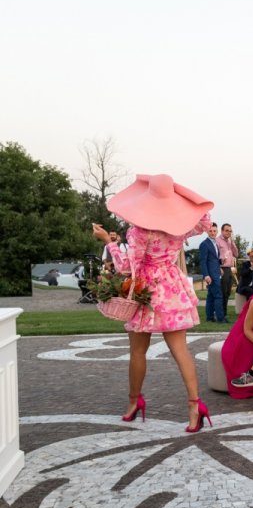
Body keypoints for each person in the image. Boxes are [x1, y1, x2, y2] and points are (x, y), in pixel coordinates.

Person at [94, 173, 215, 433]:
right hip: (172, 289)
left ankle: (134, 401)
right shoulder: (180, 226)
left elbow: (126, 266)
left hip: (146, 292)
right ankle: (195, 406)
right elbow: (205, 218)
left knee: (138, 351)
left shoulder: (138, 231)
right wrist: (178, 192)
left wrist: (108, 242)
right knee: (180, 351)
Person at [199, 222, 226, 323]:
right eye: (210, 231)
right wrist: (206, 275)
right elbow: (203, 261)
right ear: (207, 231)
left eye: (214, 231)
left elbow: (213, 259)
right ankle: (221, 319)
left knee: (210, 296)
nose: (213, 233)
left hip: (216, 272)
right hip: (211, 275)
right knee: (218, 296)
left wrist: (220, 265)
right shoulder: (204, 244)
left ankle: (209, 318)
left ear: (217, 231)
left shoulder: (215, 243)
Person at [216, 223, 239, 321]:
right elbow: (214, 256)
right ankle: (222, 315)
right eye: (226, 230)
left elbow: (236, 254)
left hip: (229, 269)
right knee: (223, 292)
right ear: (222, 231)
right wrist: (218, 267)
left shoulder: (230, 241)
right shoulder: (217, 241)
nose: (229, 232)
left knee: (228, 292)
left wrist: (232, 243)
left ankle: (223, 313)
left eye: (230, 231)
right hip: (221, 268)